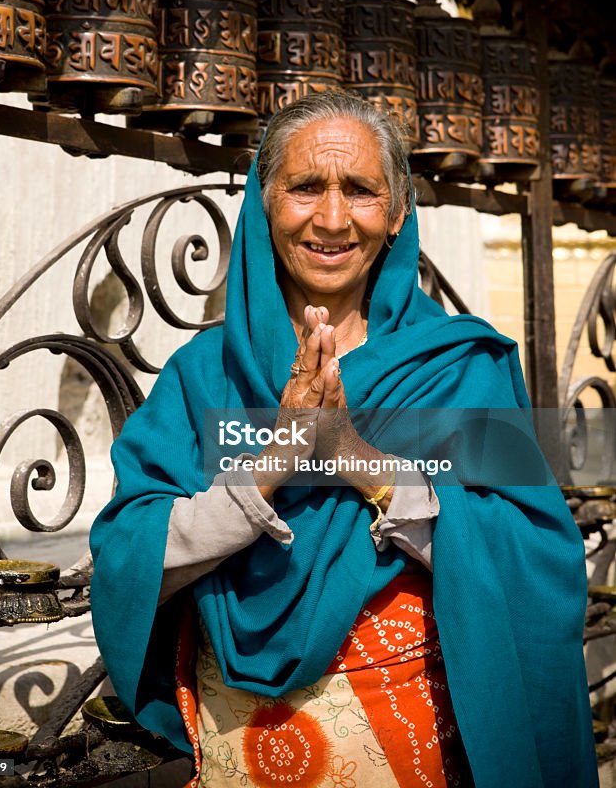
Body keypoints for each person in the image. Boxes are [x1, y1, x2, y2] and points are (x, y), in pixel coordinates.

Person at [90, 91, 597, 788]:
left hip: (416, 755)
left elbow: (538, 561)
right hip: (240, 751)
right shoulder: (202, 379)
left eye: (359, 190)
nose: (330, 219)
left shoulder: (458, 371)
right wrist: (267, 469)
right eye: (304, 187)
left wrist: (363, 462)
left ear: (394, 215)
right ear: (264, 206)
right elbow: (129, 559)